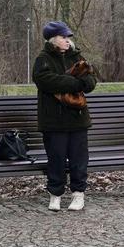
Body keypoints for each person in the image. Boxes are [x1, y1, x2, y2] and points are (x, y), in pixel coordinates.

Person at [32, 21, 97, 211]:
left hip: (78, 119)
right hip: (53, 121)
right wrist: (74, 82)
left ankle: (78, 194)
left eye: (68, 37)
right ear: (54, 40)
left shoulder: (77, 57)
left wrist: (76, 83)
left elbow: (91, 81)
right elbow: (46, 81)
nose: (67, 41)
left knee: (79, 159)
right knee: (56, 159)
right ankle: (55, 195)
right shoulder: (42, 59)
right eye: (63, 37)